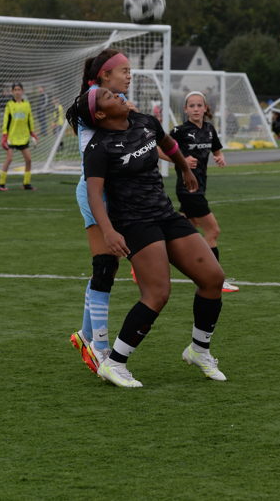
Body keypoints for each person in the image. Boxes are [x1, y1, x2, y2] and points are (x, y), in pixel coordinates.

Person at [67, 87, 227, 388]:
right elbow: (93, 195)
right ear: (100, 114)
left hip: (165, 213)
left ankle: (199, 350)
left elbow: (168, 144)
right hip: (134, 223)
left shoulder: (145, 122)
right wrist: (109, 231)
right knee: (157, 293)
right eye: (108, 97)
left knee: (213, 278)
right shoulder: (98, 148)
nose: (117, 96)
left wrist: (184, 168)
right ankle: (114, 363)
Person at [69, 50, 133, 375]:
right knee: (104, 267)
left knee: (108, 266)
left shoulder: (117, 101)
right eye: (124, 70)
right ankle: (100, 347)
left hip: (114, 193)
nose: (129, 75)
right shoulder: (92, 101)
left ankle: (85, 335)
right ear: (104, 76)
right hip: (95, 193)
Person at [167, 91, 239, 294]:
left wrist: (219, 156)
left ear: (205, 108)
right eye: (192, 106)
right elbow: (159, 149)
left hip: (200, 188)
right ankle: (216, 279)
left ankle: (146, 261)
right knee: (213, 231)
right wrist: (181, 160)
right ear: (185, 109)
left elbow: (216, 149)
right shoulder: (179, 131)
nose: (196, 109)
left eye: (199, 105)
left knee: (180, 234)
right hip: (189, 190)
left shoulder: (209, 129)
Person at [0, 83, 38, 191]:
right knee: (9, 159)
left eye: (19, 89)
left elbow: (30, 119)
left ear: (22, 91)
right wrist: (4, 135)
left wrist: (32, 132)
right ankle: (1, 183)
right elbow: (6, 120)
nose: (17, 92)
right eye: (15, 90)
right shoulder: (9, 105)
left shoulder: (27, 104)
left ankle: (26, 183)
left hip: (23, 137)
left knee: (28, 160)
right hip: (12, 137)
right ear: (12, 92)